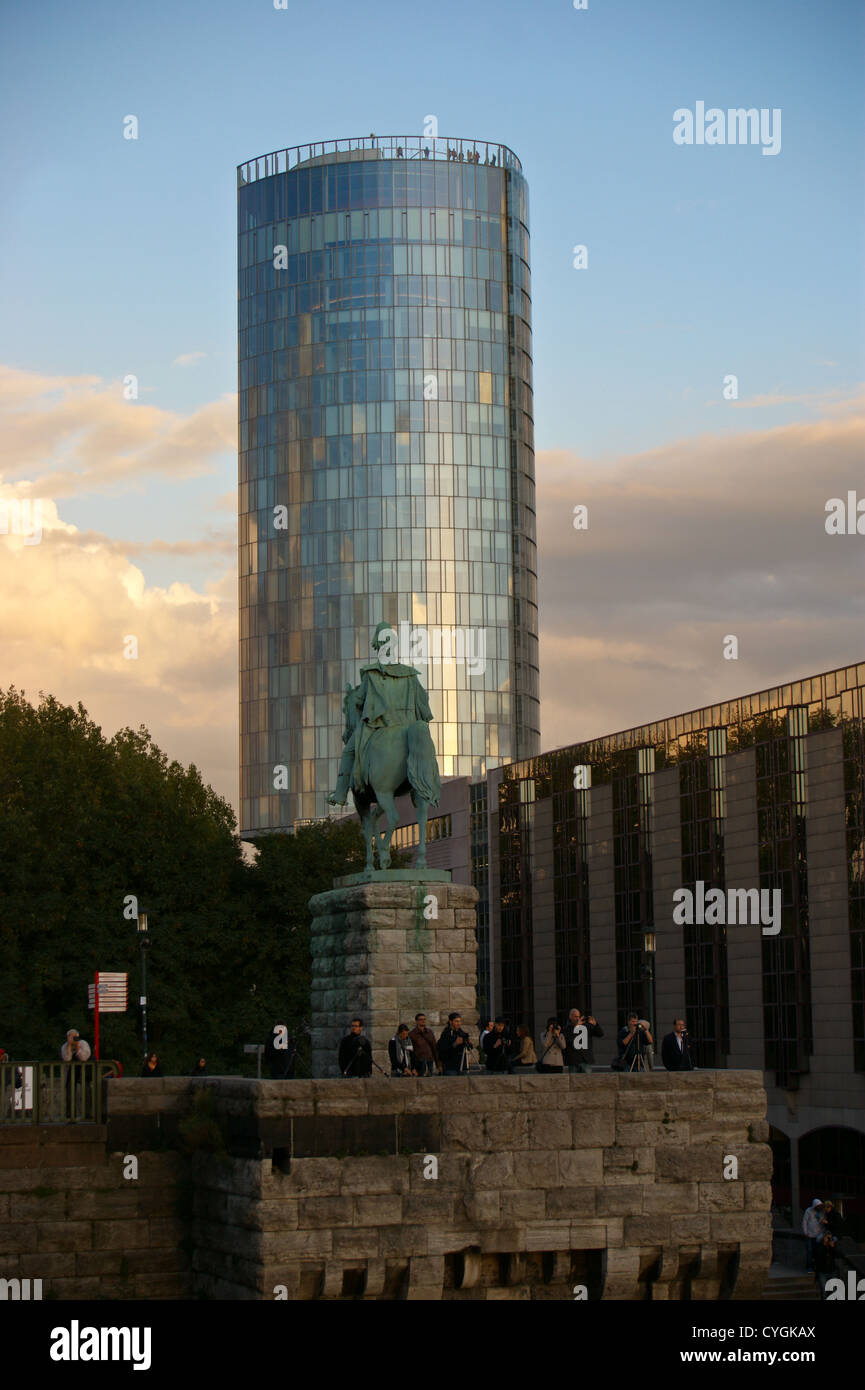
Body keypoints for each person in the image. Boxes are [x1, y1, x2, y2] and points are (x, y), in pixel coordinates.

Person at [564, 1008, 604, 1072]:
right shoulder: (567, 1027)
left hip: (586, 1059)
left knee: (587, 1080)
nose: (577, 1018)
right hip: (573, 1060)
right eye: (575, 1016)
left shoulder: (586, 1026)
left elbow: (600, 1034)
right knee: (574, 1080)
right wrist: (576, 1026)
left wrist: (595, 1024)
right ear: (570, 1017)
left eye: (578, 1016)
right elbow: (568, 1039)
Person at [802, 1198, 825, 1272]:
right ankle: (809, 1266)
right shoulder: (808, 1211)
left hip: (818, 1235)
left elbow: (823, 1223)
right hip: (810, 1234)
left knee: (817, 1251)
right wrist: (805, 1232)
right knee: (809, 1251)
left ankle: (816, 1266)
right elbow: (804, 1221)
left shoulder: (822, 1212)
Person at [813, 1230, 837, 1298]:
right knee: (824, 1291)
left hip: (832, 1270)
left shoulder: (832, 1245)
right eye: (827, 1237)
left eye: (830, 1238)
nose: (829, 1239)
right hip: (822, 1271)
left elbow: (836, 1255)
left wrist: (832, 1247)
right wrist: (824, 1245)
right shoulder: (819, 1245)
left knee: (834, 1290)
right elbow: (818, 1255)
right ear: (823, 1237)